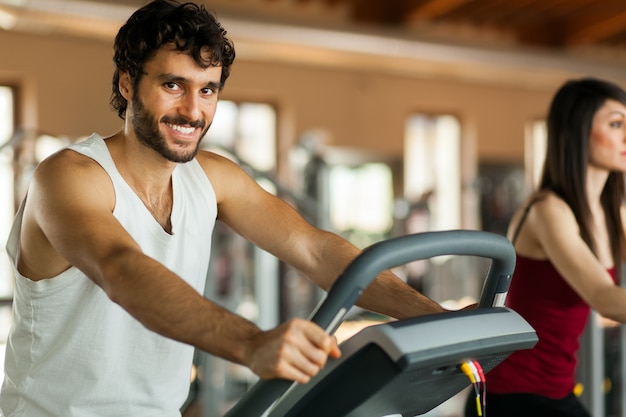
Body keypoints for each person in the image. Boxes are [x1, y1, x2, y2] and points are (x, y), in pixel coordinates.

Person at [0, 1, 448, 416]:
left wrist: (437, 320)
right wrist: (252, 344)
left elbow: (314, 250)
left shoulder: (212, 178)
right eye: (173, 85)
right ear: (126, 83)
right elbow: (121, 269)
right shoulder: (68, 176)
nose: (192, 111)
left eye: (208, 90)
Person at [465, 77, 626, 417]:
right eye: (616, 123)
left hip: (555, 389)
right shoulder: (548, 210)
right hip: (513, 396)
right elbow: (604, 297)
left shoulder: (612, 212)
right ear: (579, 132)